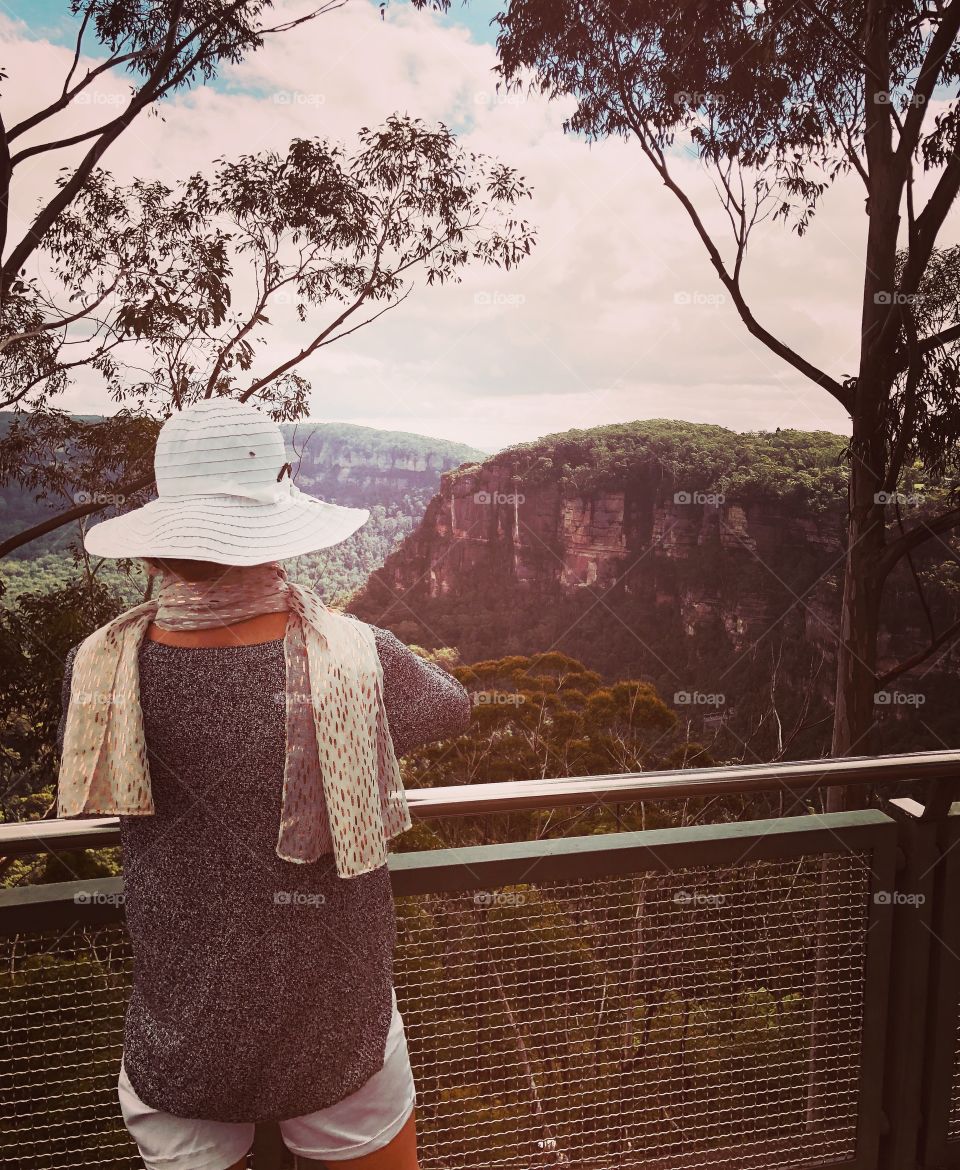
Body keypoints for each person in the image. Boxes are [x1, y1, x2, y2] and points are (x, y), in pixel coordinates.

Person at [56, 398, 472, 1170]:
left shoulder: (100, 670)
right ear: (277, 530)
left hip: (182, 1034)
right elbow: (452, 707)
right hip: (337, 1022)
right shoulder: (354, 655)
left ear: (159, 544)